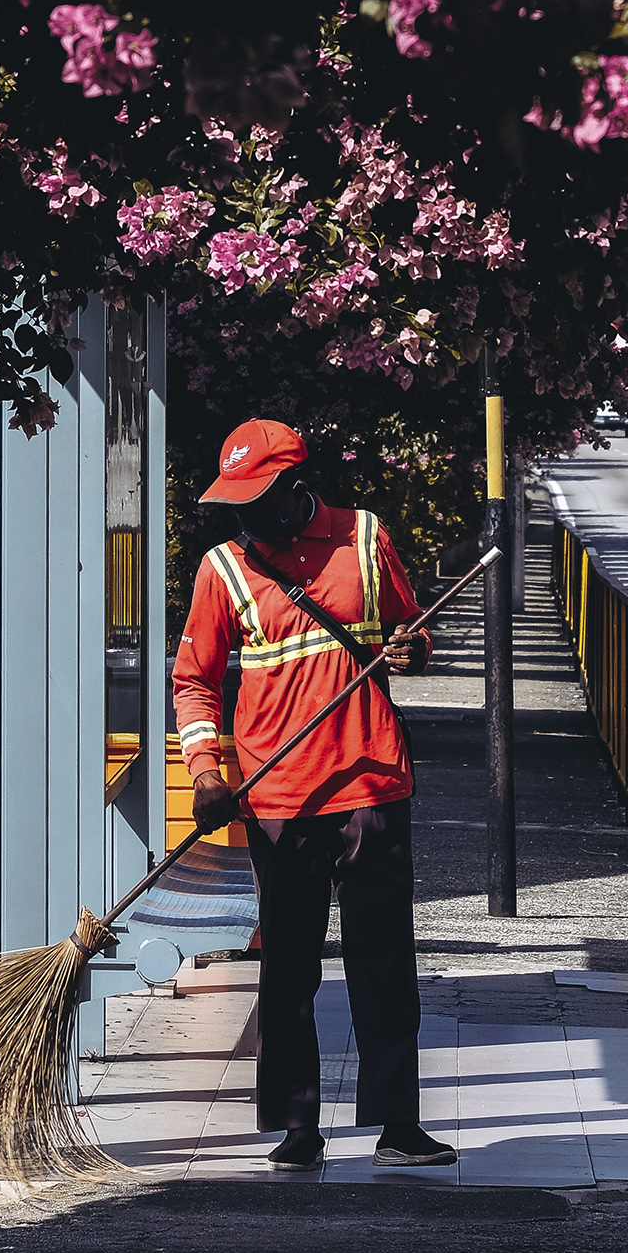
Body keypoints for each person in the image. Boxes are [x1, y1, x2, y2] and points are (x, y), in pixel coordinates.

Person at [172, 416, 453, 1172]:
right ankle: (299, 1128)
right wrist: (207, 776)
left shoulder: (364, 539)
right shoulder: (222, 570)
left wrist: (410, 648)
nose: (247, 520)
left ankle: (399, 1123)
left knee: (383, 961)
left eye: (258, 502)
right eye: (235, 506)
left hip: (369, 782)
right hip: (276, 797)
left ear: (297, 488)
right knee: (288, 965)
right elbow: (194, 682)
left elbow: (412, 629)